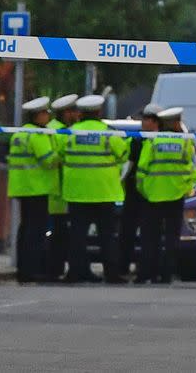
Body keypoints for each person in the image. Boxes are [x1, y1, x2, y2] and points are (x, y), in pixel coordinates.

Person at [61, 95, 130, 284]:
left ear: (81, 113)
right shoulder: (109, 133)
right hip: (104, 192)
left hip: (77, 192)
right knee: (107, 236)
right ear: (99, 112)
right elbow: (124, 155)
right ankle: (112, 274)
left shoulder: (68, 133)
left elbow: (60, 154)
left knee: (77, 235)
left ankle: (75, 272)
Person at [136, 107, 196, 284]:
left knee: (150, 239)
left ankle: (147, 273)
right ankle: (166, 275)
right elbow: (190, 171)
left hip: (153, 196)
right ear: (176, 123)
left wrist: (143, 190)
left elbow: (142, 169)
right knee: (171, 239)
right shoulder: (185, 142)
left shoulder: (152, 141)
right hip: (175, 197)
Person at [7, 96, 60, 283]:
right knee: (35, 232)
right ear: (38, 116)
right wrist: (60, 154)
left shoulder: (19, 134)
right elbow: (48, 160)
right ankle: (32, 270)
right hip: (37, 188)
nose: (48, 117)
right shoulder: (38, 136)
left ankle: (23, 269)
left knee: (25, 230)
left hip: (21, 187)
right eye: (46, 113)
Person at [119, 103, 163, 279]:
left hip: (152, 194)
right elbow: (126, 165)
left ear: (155, 122)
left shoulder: (161, 142)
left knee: (150, 235)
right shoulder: (135, 140)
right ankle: (123, 268)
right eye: (143, 118)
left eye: (146, 118)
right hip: (133, 192)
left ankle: (148, 270)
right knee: (127, 233)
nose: (143, 122)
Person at [44, 93, 79, 281]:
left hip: (62, 192)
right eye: (74, 111)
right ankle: (53, 269)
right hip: (56, 193)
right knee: (56, 235)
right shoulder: (56, 131)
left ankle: (55, 269)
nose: (77, 114)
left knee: (61, 235)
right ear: (66, 113)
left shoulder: (60, 129)